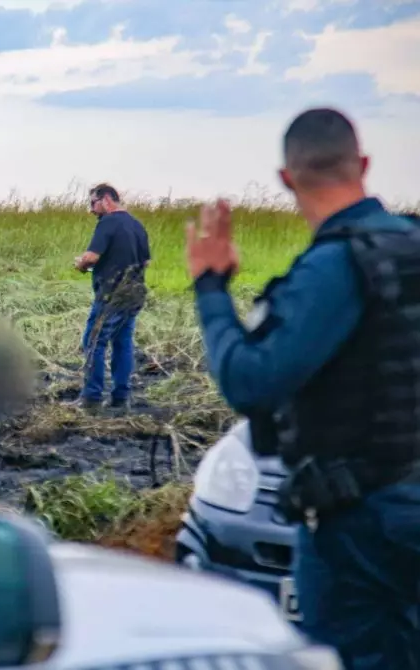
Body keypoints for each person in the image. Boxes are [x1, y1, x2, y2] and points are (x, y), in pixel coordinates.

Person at [186, 107, 420, 669]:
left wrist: (211, 286)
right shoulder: (410, 246)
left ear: (287, 179)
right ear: (362, 163)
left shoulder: (333, 268)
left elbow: (252, 382)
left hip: (360, 519)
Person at [73, 183, 151, 409]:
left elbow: (91, 257)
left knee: (93, 342)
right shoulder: (137, 225)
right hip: (134, 294)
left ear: (106, 199)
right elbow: (145, 261)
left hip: (111, 296)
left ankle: (91, 397)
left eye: (93, 203)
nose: (91, 210)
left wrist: (80, 264)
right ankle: (120, 397)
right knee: (123, 342)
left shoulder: (107, 223)